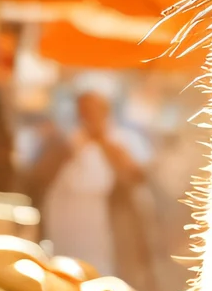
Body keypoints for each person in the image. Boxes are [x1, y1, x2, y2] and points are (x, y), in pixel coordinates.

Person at [28, 79, 150, 280]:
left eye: (96, 108)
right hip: (64, 221)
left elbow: (136, 175)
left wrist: (104, 142)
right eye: (85, 109)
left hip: (100, 224)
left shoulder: (121, 139)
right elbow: (40, 175)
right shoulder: (63, 138)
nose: (90, 114)